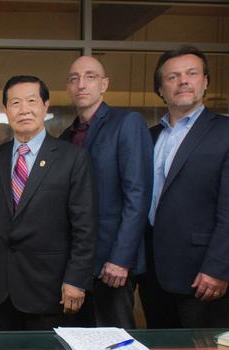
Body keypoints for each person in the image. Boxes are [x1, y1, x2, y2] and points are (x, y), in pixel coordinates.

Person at [0, 75, 96, 330]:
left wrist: (76, 279)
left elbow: (85, 227)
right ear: (6, 110)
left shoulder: (72, 158)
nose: (23, 109)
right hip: (2, 289)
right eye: (15, 103)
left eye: (31, 101)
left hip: (52, 290)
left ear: (45, 106)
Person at [138, 46, 229, 328]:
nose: (183, 81)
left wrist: (218, 268)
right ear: (161, 89)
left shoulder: (224, 133)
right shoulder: (148, 136)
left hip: (201, 273)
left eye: (192, 74)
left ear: (205, 82)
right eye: (173, 77)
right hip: (152, 272)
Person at [59, 56, 153, 328]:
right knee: (79, 343)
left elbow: (138, 195)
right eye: (74, 78)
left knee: (115, 345)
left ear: (104, 84)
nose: (81, 84)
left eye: (90, 76)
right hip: (77, 266)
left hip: (112, 263)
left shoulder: (127, 123)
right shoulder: (67, 136)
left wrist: (121, 258)